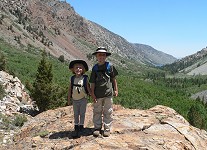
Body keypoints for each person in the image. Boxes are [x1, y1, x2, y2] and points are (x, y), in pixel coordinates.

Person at [90, 47, 118, 137]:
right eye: (99, 55)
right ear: (96, 56)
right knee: (97, 111)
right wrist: (92, 94)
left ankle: (107, 128)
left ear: (105, 56)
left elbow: (114, 79)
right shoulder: (94, 68)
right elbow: (92, 82)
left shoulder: (110, 66)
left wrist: (116, 89)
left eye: (103, 55)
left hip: (108, 94)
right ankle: (97, 128)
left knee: (108, 111)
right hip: (98, 94)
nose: (101, 57)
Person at [68, 60, 91, 137]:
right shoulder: (72, 78)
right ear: (73, 70)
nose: (78, 69)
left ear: (83, 70)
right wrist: (69, 98)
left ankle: (81, 126)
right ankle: (76, 126)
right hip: (74, 99)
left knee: (82, 113)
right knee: (76, 113)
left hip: (83, 99)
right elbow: (70, 89)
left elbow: (88, 88)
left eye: (80, 68)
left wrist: (92, 96)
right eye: (76, 68)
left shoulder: (85, 78)